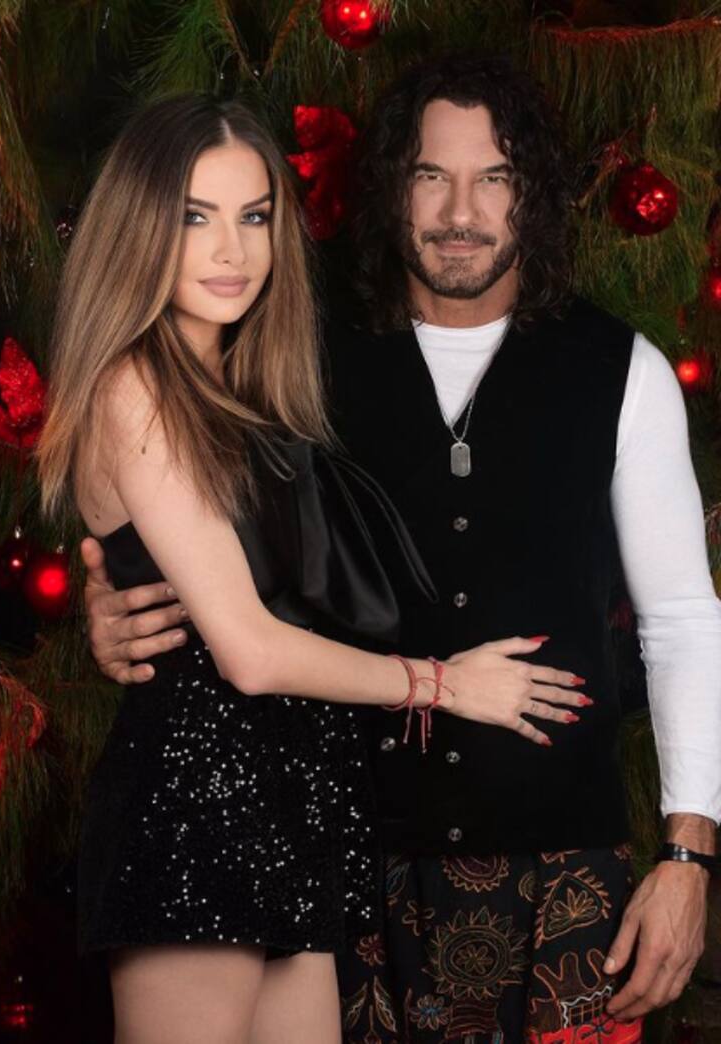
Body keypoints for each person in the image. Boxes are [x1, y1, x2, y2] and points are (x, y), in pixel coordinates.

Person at [83, 58, 721, 1042]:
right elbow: (172, 498)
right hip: (345, 862)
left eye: (494, 177)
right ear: (391, 185)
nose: (461, 212)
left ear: (534, 194)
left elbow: (680, 621)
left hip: (563, 868)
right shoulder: (287, 357)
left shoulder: (619, 371)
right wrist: (117, 588)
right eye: (431, 175)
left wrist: (686, 860)